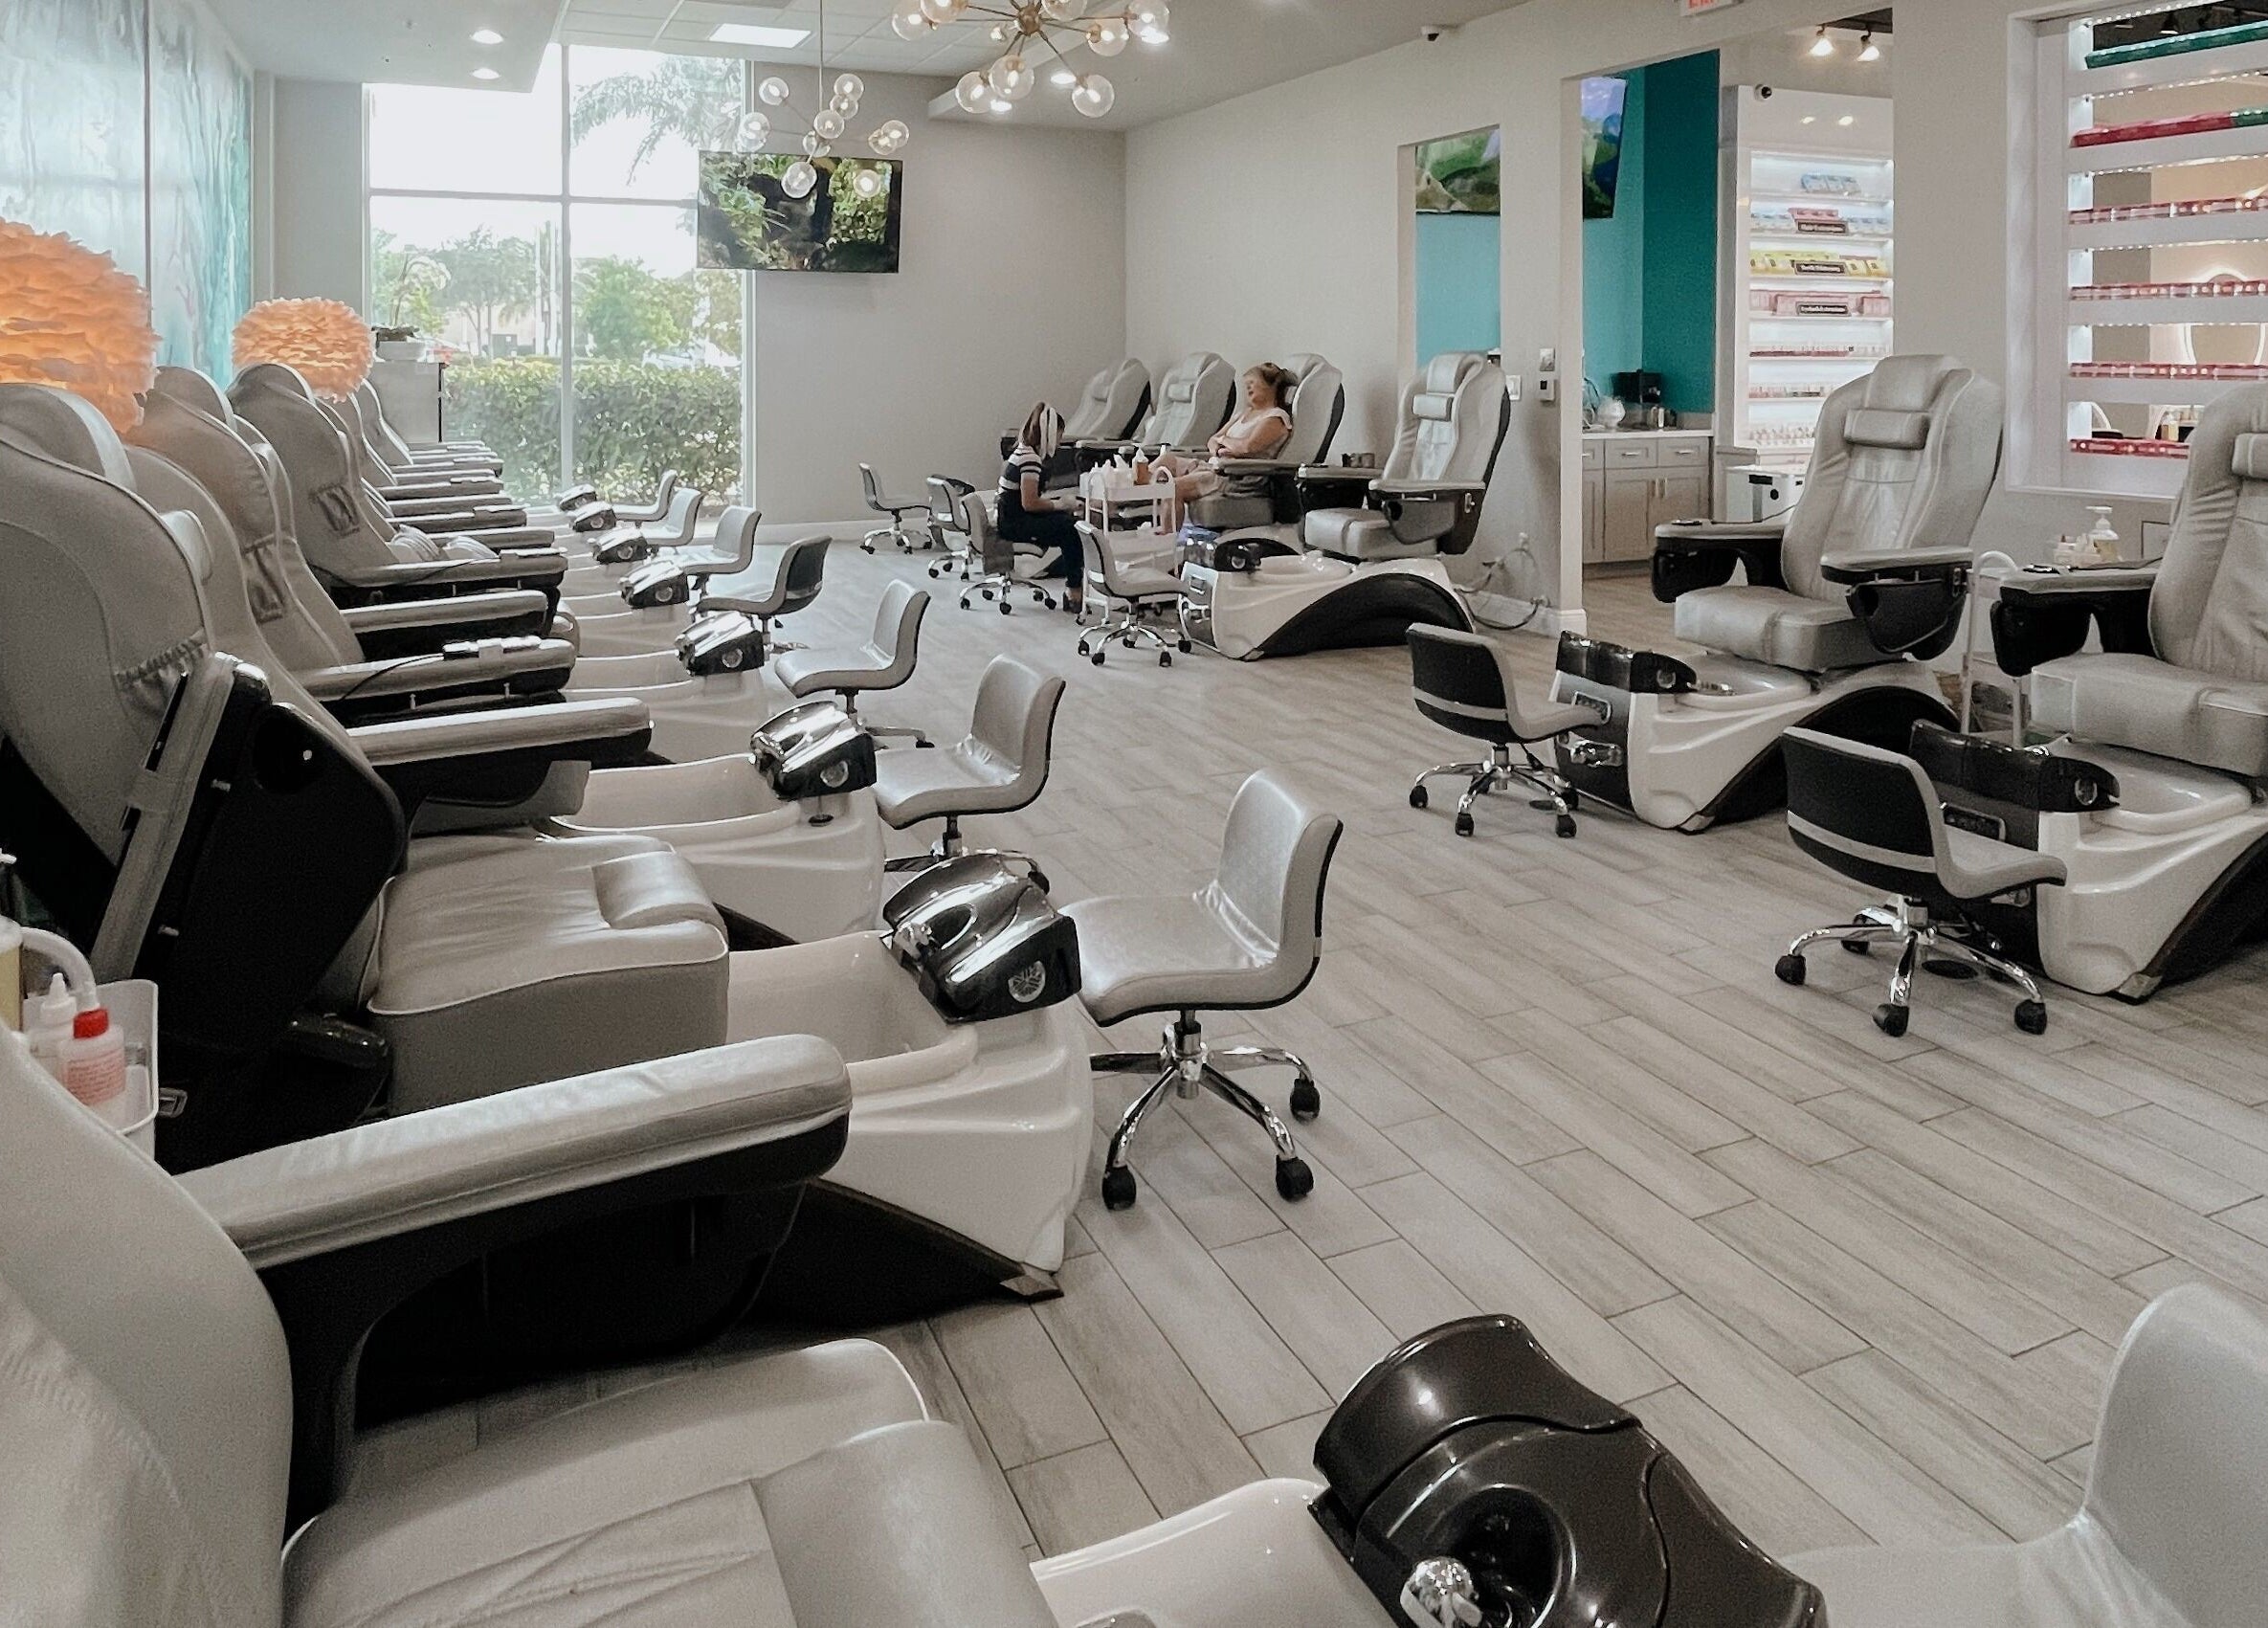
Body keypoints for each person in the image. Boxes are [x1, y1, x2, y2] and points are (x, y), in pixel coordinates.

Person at [999, 402, 1084, 612]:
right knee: (1073, 530)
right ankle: (1074, 590)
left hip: (1009, 517)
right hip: (1015, 523)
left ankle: (1074, 584)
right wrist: (1060, 504)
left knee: (1067, 523)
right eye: (1059, 436)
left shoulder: (1022, 451)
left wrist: (1060, 506)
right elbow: (1030, 504)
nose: (1059, 442)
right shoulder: (1030, 460)